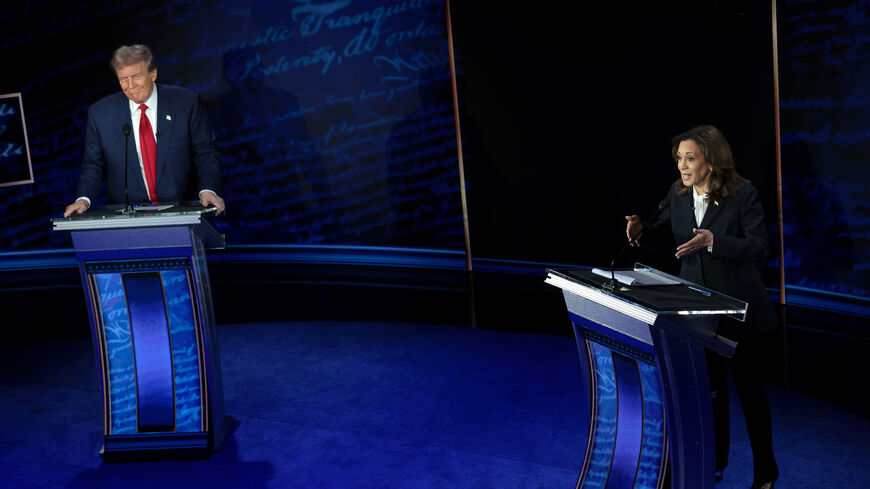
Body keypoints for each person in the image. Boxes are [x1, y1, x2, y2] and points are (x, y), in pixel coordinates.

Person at [625, 125, 778, 489]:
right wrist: (641, 231)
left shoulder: (744, 195)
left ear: (712, 159)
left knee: (750, 395)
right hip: (697, 312)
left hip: (739, 312)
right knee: (710, 392)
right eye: (679, 158)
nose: (682, 165)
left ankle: (766, 473)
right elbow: (664, 230)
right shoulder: (677, 194)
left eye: (690, 158)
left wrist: (715, 241)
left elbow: (760, 248)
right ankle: (715, 463)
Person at [64, 44, 225, 217]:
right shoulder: (100, 114)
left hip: (182, 211)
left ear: (153, 73)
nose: (130, 85)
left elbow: (205, 152)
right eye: (123, 79)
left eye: (136, 76)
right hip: (127, 217)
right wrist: (83, 198)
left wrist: (208, 189)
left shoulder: (186, 103)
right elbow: (93, 165)